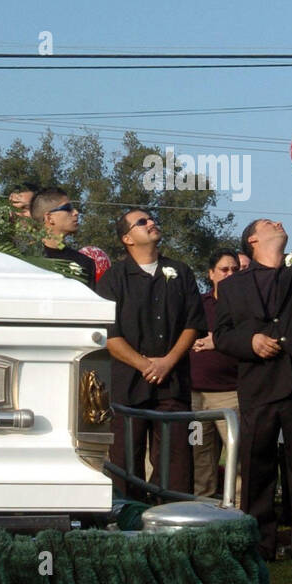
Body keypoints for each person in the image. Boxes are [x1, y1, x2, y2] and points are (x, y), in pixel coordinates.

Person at [214, 148, 292, 569]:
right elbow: (223, 334)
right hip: (260, 388)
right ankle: (260, 544)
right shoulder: (232, 287)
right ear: (252, 238)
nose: (280, 223)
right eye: (270, 222)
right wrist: (250, 342)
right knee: (258, 467)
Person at [96, 208, 205, 499]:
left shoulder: (180, 272)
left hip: (173, 384)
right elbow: (109, 335)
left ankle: (172, 522)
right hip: (128, 387)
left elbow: (193, 324)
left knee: (176, 464)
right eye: (142, 222)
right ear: (127, 238)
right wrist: (145, 365)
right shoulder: (113, 279)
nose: (151, 223)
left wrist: (168, 362)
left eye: (151, 218)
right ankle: (127, 522)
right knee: (125, 462)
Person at [189, 249, 242, 502]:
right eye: (224, 269)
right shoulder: (197, 305)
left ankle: (239, 511)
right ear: (211, 274)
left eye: (235, 270)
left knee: (238, 459)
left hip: (231, 395)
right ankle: (204, 514)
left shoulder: (245, 307)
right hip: (196, 398)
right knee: (201, 459)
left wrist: (218, 341)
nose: (230, 274)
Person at [31, 187, 96, 288]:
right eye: (68, 208)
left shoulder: (85, 263)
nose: (76, 212)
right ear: (49, 218)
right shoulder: (26, 258)